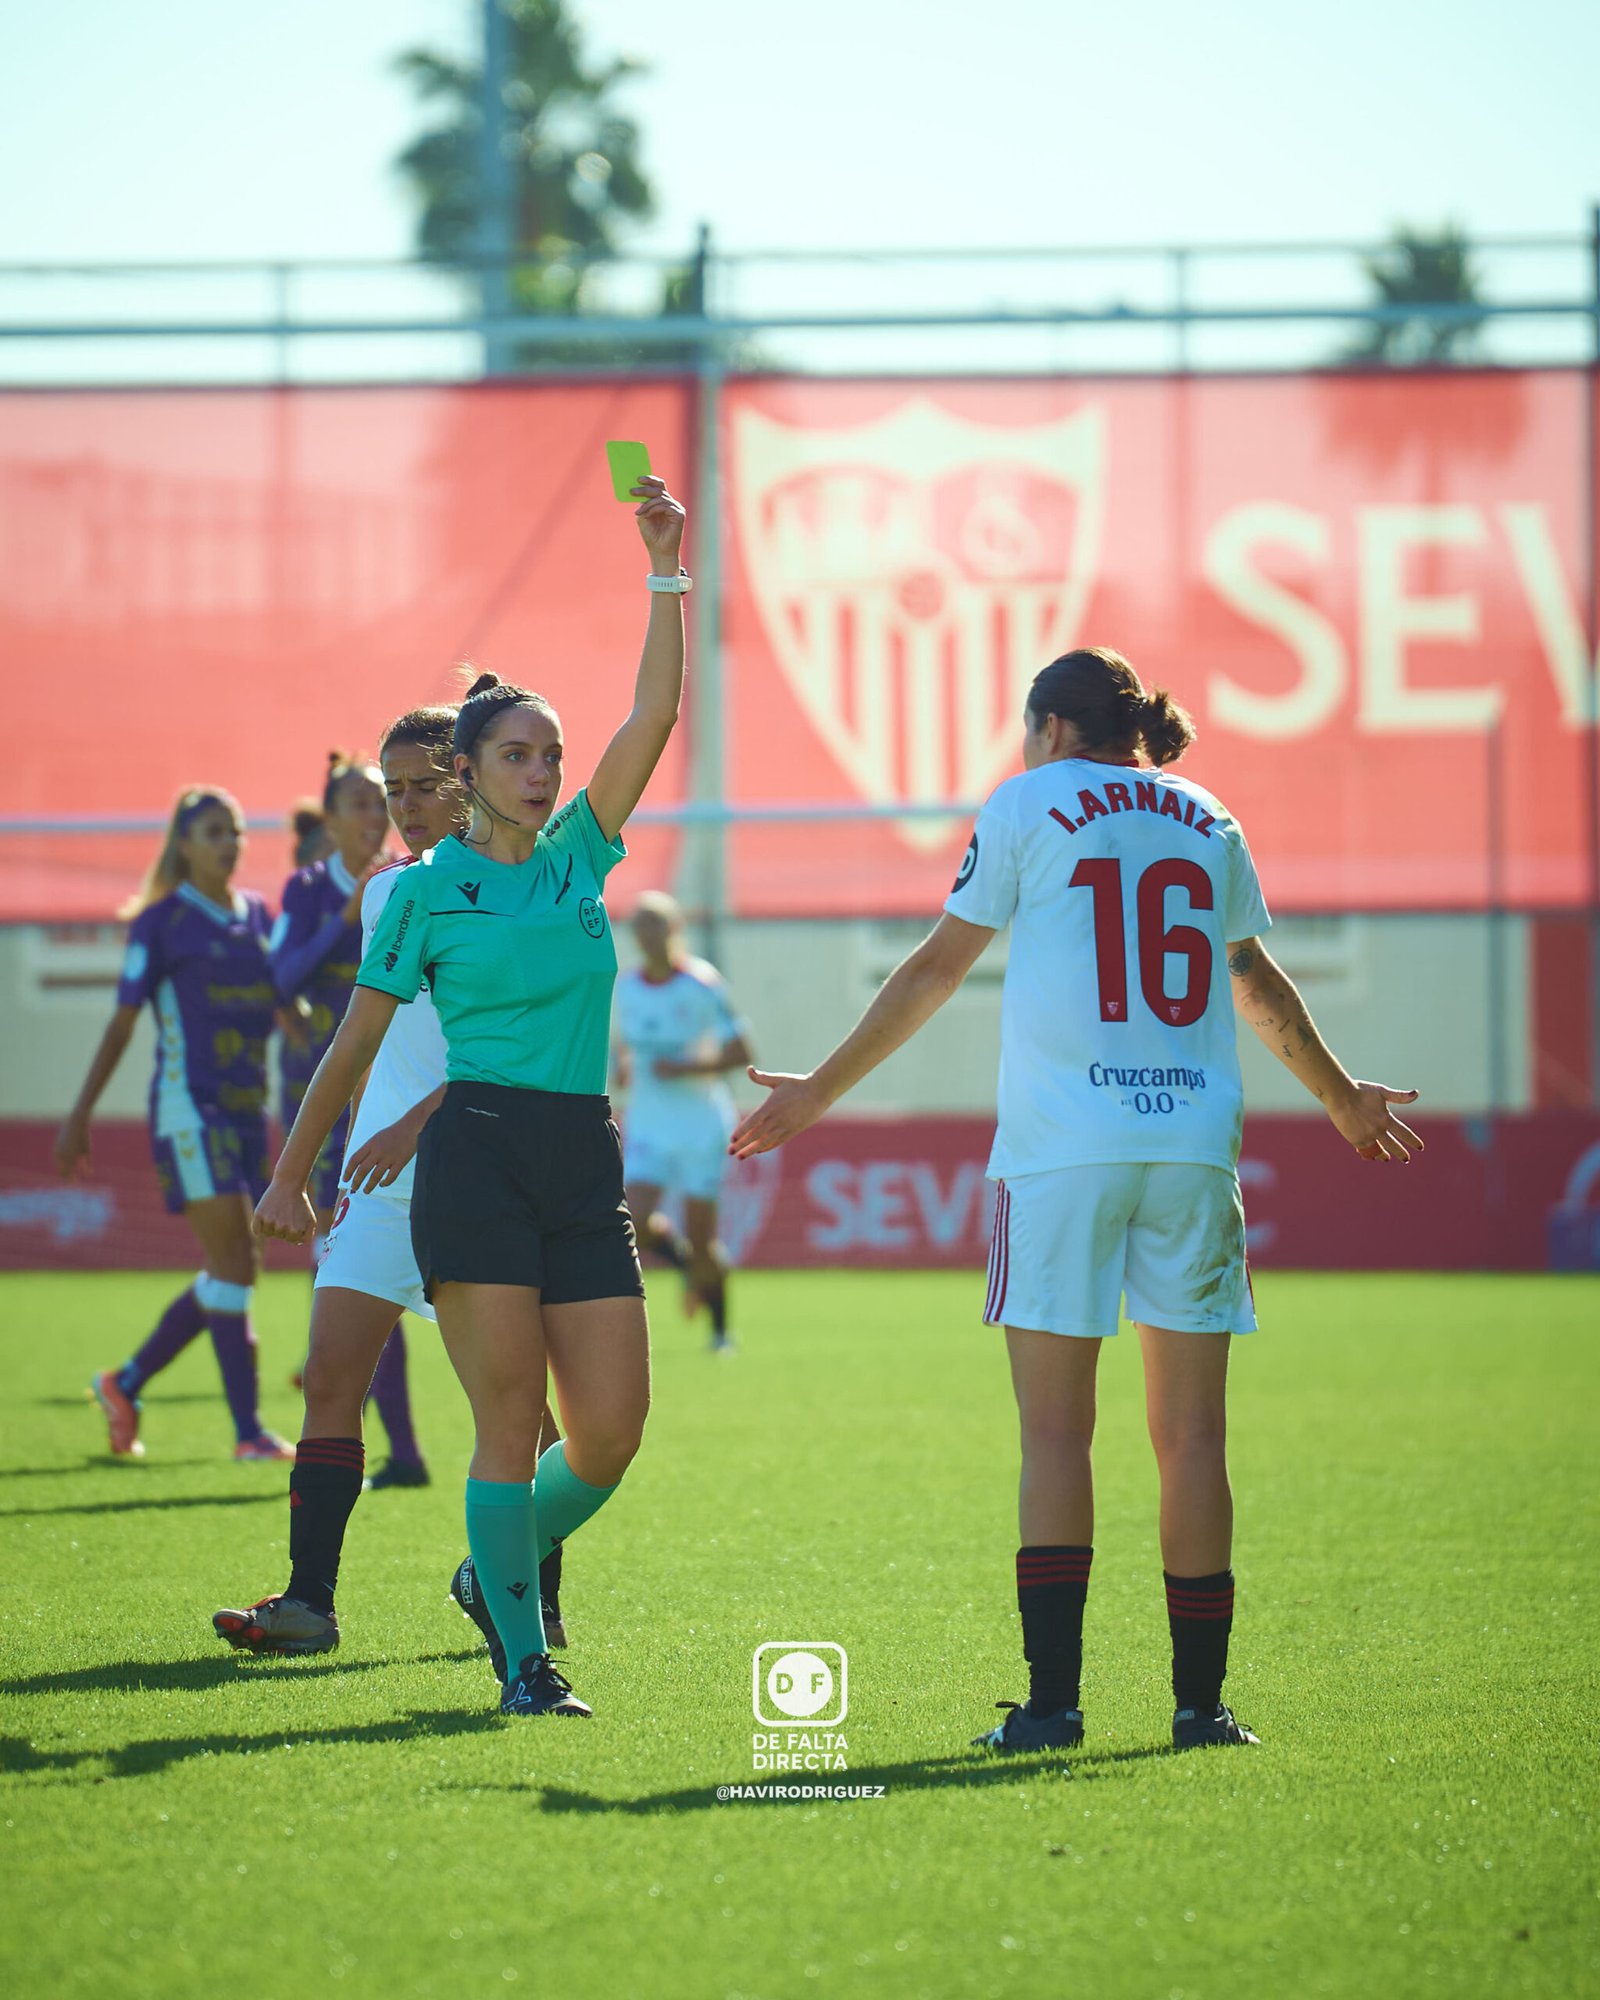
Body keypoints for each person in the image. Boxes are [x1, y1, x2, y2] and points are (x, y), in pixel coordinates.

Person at [730, 646, 1423, 1754]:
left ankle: (1053, 1705)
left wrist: (819, 1088)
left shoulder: (1026, 804)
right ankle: (1201, 1708)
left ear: (1052, 725)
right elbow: (1255, 977)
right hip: (1192, 1149)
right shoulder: (1205, 813)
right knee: (1193, 1436)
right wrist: (1342, 1100)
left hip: (1062, 1153)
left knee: (1057, 1433)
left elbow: (934, 968)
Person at [254, 472, 689, 1720]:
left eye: (553, 752)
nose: (547, 770)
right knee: (507, 1422)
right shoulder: (424, 890)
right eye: (521, 753)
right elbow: (350, 1044)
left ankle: (481, 1570)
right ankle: (524, 1662)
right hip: (478, 1158)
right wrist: (293, 1173)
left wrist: (666, 567)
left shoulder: (582, 855)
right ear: (470, 767)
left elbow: (654, 713)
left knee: (606, 1435)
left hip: (577, 1160)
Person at [55, 789, 298, 1461]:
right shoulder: (161, 924)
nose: (229, 843)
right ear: (184, 845)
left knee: (237, 1267)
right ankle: (247, 1433)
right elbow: (122, 1024)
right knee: (232, 1265)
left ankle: (125, 1382)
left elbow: (287, 1002)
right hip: (190, 1109)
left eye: (237, 831)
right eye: (214, 831)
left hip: (250, 1110)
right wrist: (78, 1117)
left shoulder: (258, 916)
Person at [614, 891, 753, 1351]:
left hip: (699, 1125)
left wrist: (685, 1069)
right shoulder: (628, 987)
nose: (648, 933)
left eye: (657, 923)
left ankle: (719, 1332)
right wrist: (625, 1064)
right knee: (631, 1218)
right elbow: (626, 1043)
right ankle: (682, 1264)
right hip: (651, 1123)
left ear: (675, 930)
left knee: (702, 1237)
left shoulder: (701, 984)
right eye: (641, 924)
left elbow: (741, 1052)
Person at [271, 753, 390, 1264]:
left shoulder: (408, 881)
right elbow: (281, 978)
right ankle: (339, 1344)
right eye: (358, 804)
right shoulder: (307, 890)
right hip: (316, 1079)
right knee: (329, 1237)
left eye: (379, 803)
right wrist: (346, 915)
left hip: (387, 1081)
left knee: (380, 1232)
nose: (373, 815)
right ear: (332, 819)